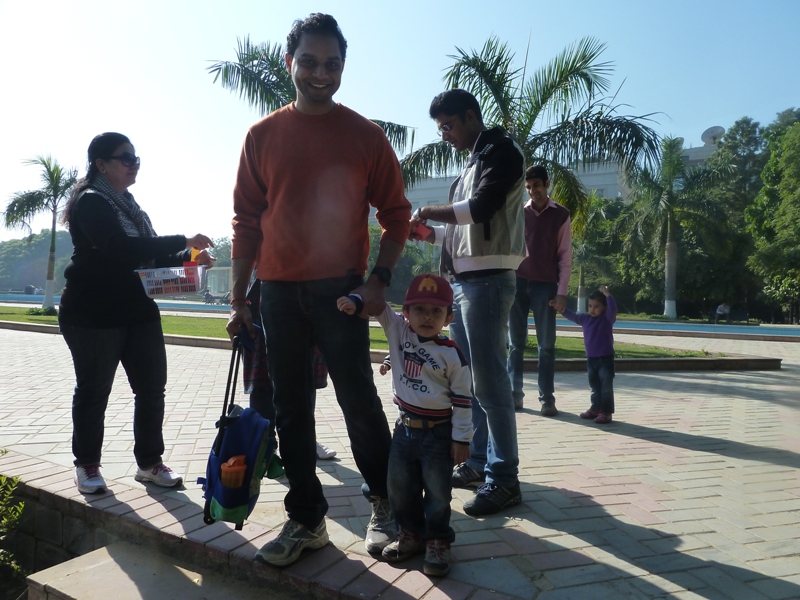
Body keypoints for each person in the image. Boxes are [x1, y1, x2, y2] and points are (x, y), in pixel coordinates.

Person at [226, 14, 411, 567]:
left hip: (342, 294)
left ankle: (387, 505)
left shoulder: (365, 136)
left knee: (359, 402)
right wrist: (238, 299)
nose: (320, 73)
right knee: (290, 407)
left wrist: (378, 280)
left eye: (331, 63)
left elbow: (397, 215)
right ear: (290, 63)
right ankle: (307, 519)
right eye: (308, 61)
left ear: (343, 66)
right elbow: (245, 222)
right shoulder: (261, 136)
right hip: (278, 292)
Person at [58, 132, 214, 494]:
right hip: (92, 312)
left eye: (136, 158)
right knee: (94, 390)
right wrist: (183, 240)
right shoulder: (91, 201)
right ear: (101, 164)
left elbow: (150, 257)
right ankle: (87, 465)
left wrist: (190, 257)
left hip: (137, 309)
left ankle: (149, 463)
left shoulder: (129, 206)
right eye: (125, 158)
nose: (134, 165)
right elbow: (120, 248)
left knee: (151, 389)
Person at [410, 89, 526, 517]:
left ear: (472, 116)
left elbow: (479, 209)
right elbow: (462, 231)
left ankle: (504, 478)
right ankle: (478, 462)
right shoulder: (472, 162)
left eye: (449, 125)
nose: (445, 135)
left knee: (490, 383)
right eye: (440, 128)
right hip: (465, 282)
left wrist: (426, 211)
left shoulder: (501, 151)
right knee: (471, 380)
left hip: (489, 281)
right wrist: (429, 234)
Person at [338, 273, 472, 576]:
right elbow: (379, 304)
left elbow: (464, 401)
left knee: (438, 492)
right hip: (404, 430)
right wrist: (355, 300)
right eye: (419, 309)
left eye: (436, 311)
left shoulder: (452, 354)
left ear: (449, 317)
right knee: (400, 487)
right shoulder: (398, 330)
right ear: (406, 312)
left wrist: (462, 439)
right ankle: (410, 534)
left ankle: (437, 540)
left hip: (439, 433)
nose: (427, 316)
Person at [507, 166, 572, 415]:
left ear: (547, 184)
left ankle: (547, 399)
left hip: (546, 287)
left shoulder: (561, 215)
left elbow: (565, 256)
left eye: (536, 185)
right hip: (517, 283)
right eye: (528, 187)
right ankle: (515, 396)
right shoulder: (518, 212)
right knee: (515, 344)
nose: (533, 190)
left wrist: (562, 292)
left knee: (546, 345)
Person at [557, 285, 617, 424]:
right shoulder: (585, 319)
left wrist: (608, 295)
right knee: (594, 386)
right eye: (590, 306)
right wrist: (561, 309)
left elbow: (613, 309)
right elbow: (572, 315)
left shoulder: (607, 319)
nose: (592, 309)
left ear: (604, 308)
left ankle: (606, 412)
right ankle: (595, 408)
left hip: (605, 359)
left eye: (596, 306)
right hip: (591, 359)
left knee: (606, 387)